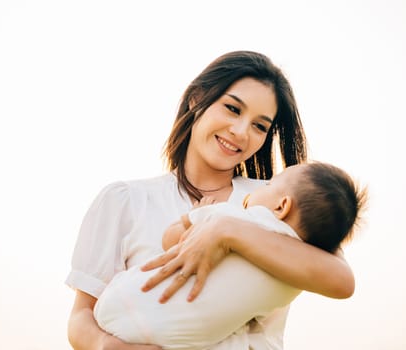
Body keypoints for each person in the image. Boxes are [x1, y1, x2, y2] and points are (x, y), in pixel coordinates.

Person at [66, 50, 356, 350]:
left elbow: (341, 281)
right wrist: (106, 346)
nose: (241, 132)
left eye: (260, 126)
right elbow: (81, 316)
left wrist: (225, 231)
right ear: (197, 98)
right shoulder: (125, 201)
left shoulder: (280, 202)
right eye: (232, 109)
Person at [92, 162, 367, 350]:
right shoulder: (295, 275)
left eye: (271, 183)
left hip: (122, 306)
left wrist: (200, 220)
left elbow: (170, 239)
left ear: (282, 205)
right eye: (232, 109)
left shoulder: (232, 213)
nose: (240, 131)